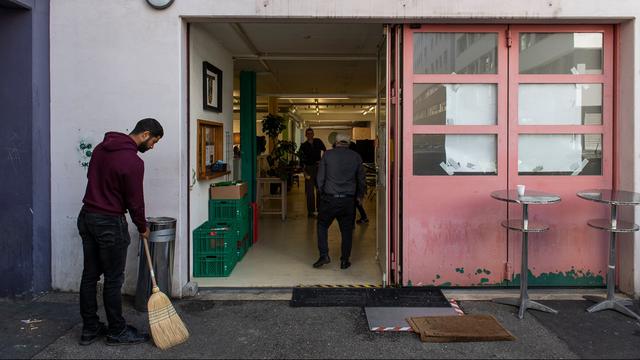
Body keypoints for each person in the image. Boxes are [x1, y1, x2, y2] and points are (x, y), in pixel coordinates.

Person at [77, 118, 163, 346]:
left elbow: (92, 179)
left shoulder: (100, 149)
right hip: (109, 223)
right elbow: (135, 201)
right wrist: (142, 227)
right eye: (154, 141)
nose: (153, 146)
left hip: (87, 216)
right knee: (113, 280)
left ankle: (90, 328)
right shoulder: (132, 162)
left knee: (90, 276)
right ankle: (117, 331)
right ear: (145, 134)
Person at [313, 134, 366, 270]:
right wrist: (359, 196)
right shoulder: (356, 157)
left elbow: (320, 178)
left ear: (335, 143)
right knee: (347, 231)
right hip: (348, 201)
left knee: (322, 225)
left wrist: (322, 192)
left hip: (330, 199)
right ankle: (344, 261)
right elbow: (361, 179)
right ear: (348, 143)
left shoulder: (327, 155)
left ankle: (324, 255)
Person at [299, 127, 326, 217]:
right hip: (309, 169)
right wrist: (304, 172)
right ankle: (311, 212)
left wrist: (322, 160)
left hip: (318, 168)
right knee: (310, 192)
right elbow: (301, 160)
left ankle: (320, 210)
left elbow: (325, 151)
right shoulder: (303, 146)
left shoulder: (318, 141)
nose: (310, 135)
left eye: (311, 133)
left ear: (313, 134)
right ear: (306, 135)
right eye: (308, 133)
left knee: (319, 190)